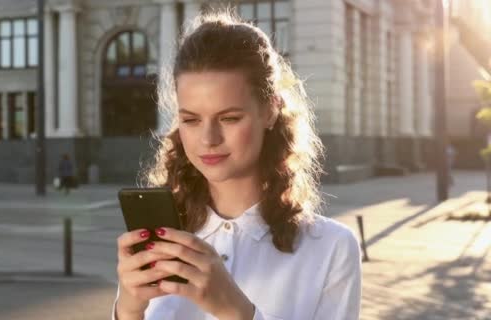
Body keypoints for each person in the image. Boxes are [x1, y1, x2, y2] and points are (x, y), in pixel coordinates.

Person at [113, 9, 361, 320]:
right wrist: (127, 310)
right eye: (190, 119)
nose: (208, 138)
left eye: (229, 118)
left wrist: (236, 310)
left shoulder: (331, 248)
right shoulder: (162, 240)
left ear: (270, 111)